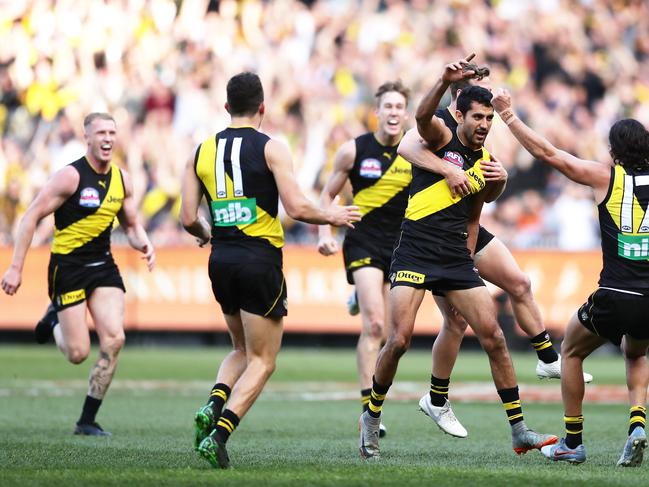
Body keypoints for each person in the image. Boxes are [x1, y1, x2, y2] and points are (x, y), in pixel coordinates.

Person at [358, 55, 558, 460]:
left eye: (489, 118)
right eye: (478, 117)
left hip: (452, 257)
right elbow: (422, 115)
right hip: (414, 250)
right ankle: (370, 419)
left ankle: (519, 430)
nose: (485, 124)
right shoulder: (439, 134)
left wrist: (493, 194)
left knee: (495, 338)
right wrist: (441, 79)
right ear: (460, 115)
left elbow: (473, 215)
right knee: (397, 340)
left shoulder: (484, 161)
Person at [181, 72, 360, 469]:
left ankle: (213, 404)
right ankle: (220, 433)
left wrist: (207, 232)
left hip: (221, 258)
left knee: (240, 349)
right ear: (263, 106)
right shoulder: (272, 148)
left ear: (226, 107)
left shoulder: (200, 151)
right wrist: (331, 213)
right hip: (259, 259)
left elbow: (186, 217)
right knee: (263, 360)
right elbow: (295, 208)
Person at [396, 75, 592, 438]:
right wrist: (449, 169)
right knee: (454, 323)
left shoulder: (478, 135)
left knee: (519, 282)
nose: (484, 119)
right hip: (429, 230)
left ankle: (548, 358)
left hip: (462, 227)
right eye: (471, 83)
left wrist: (496, 182)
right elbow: (408, 146)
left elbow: (475, 210)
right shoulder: (440, 118)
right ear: (457, 100)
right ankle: (436, 398)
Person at [492, 89, 649, 466]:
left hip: (615, 291)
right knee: (636, 351)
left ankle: (573, 441)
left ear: (613, 151)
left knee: (571, 351)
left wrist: (509, 116)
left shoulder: (603, 176)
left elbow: (549, 154)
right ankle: (637, 425)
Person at [1, 112, 155, 436]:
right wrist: (16, 267)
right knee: (77, 354)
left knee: (115, 338)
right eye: (101, 132)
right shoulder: (69, 177)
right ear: (87, 137)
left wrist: (144, 243)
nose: (108, 139)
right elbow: (30, 217)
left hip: (103, 266)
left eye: (112, 132)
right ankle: (54, 317)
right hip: (68, 269)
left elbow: (130, 223)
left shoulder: (122, 180)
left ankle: (87, 420)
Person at [317, 80, 412, 437]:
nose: (392, 112)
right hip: (363, 241)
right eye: (387, 106)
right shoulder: (354, 150)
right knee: (374, 325)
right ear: (377, 112)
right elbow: (327, 196)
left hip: (402, 247)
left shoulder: (415, 148)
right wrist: (326, 233)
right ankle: (367, 413)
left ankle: (360, 292)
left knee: (393, 336)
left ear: (406, 113)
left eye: (398, 107)